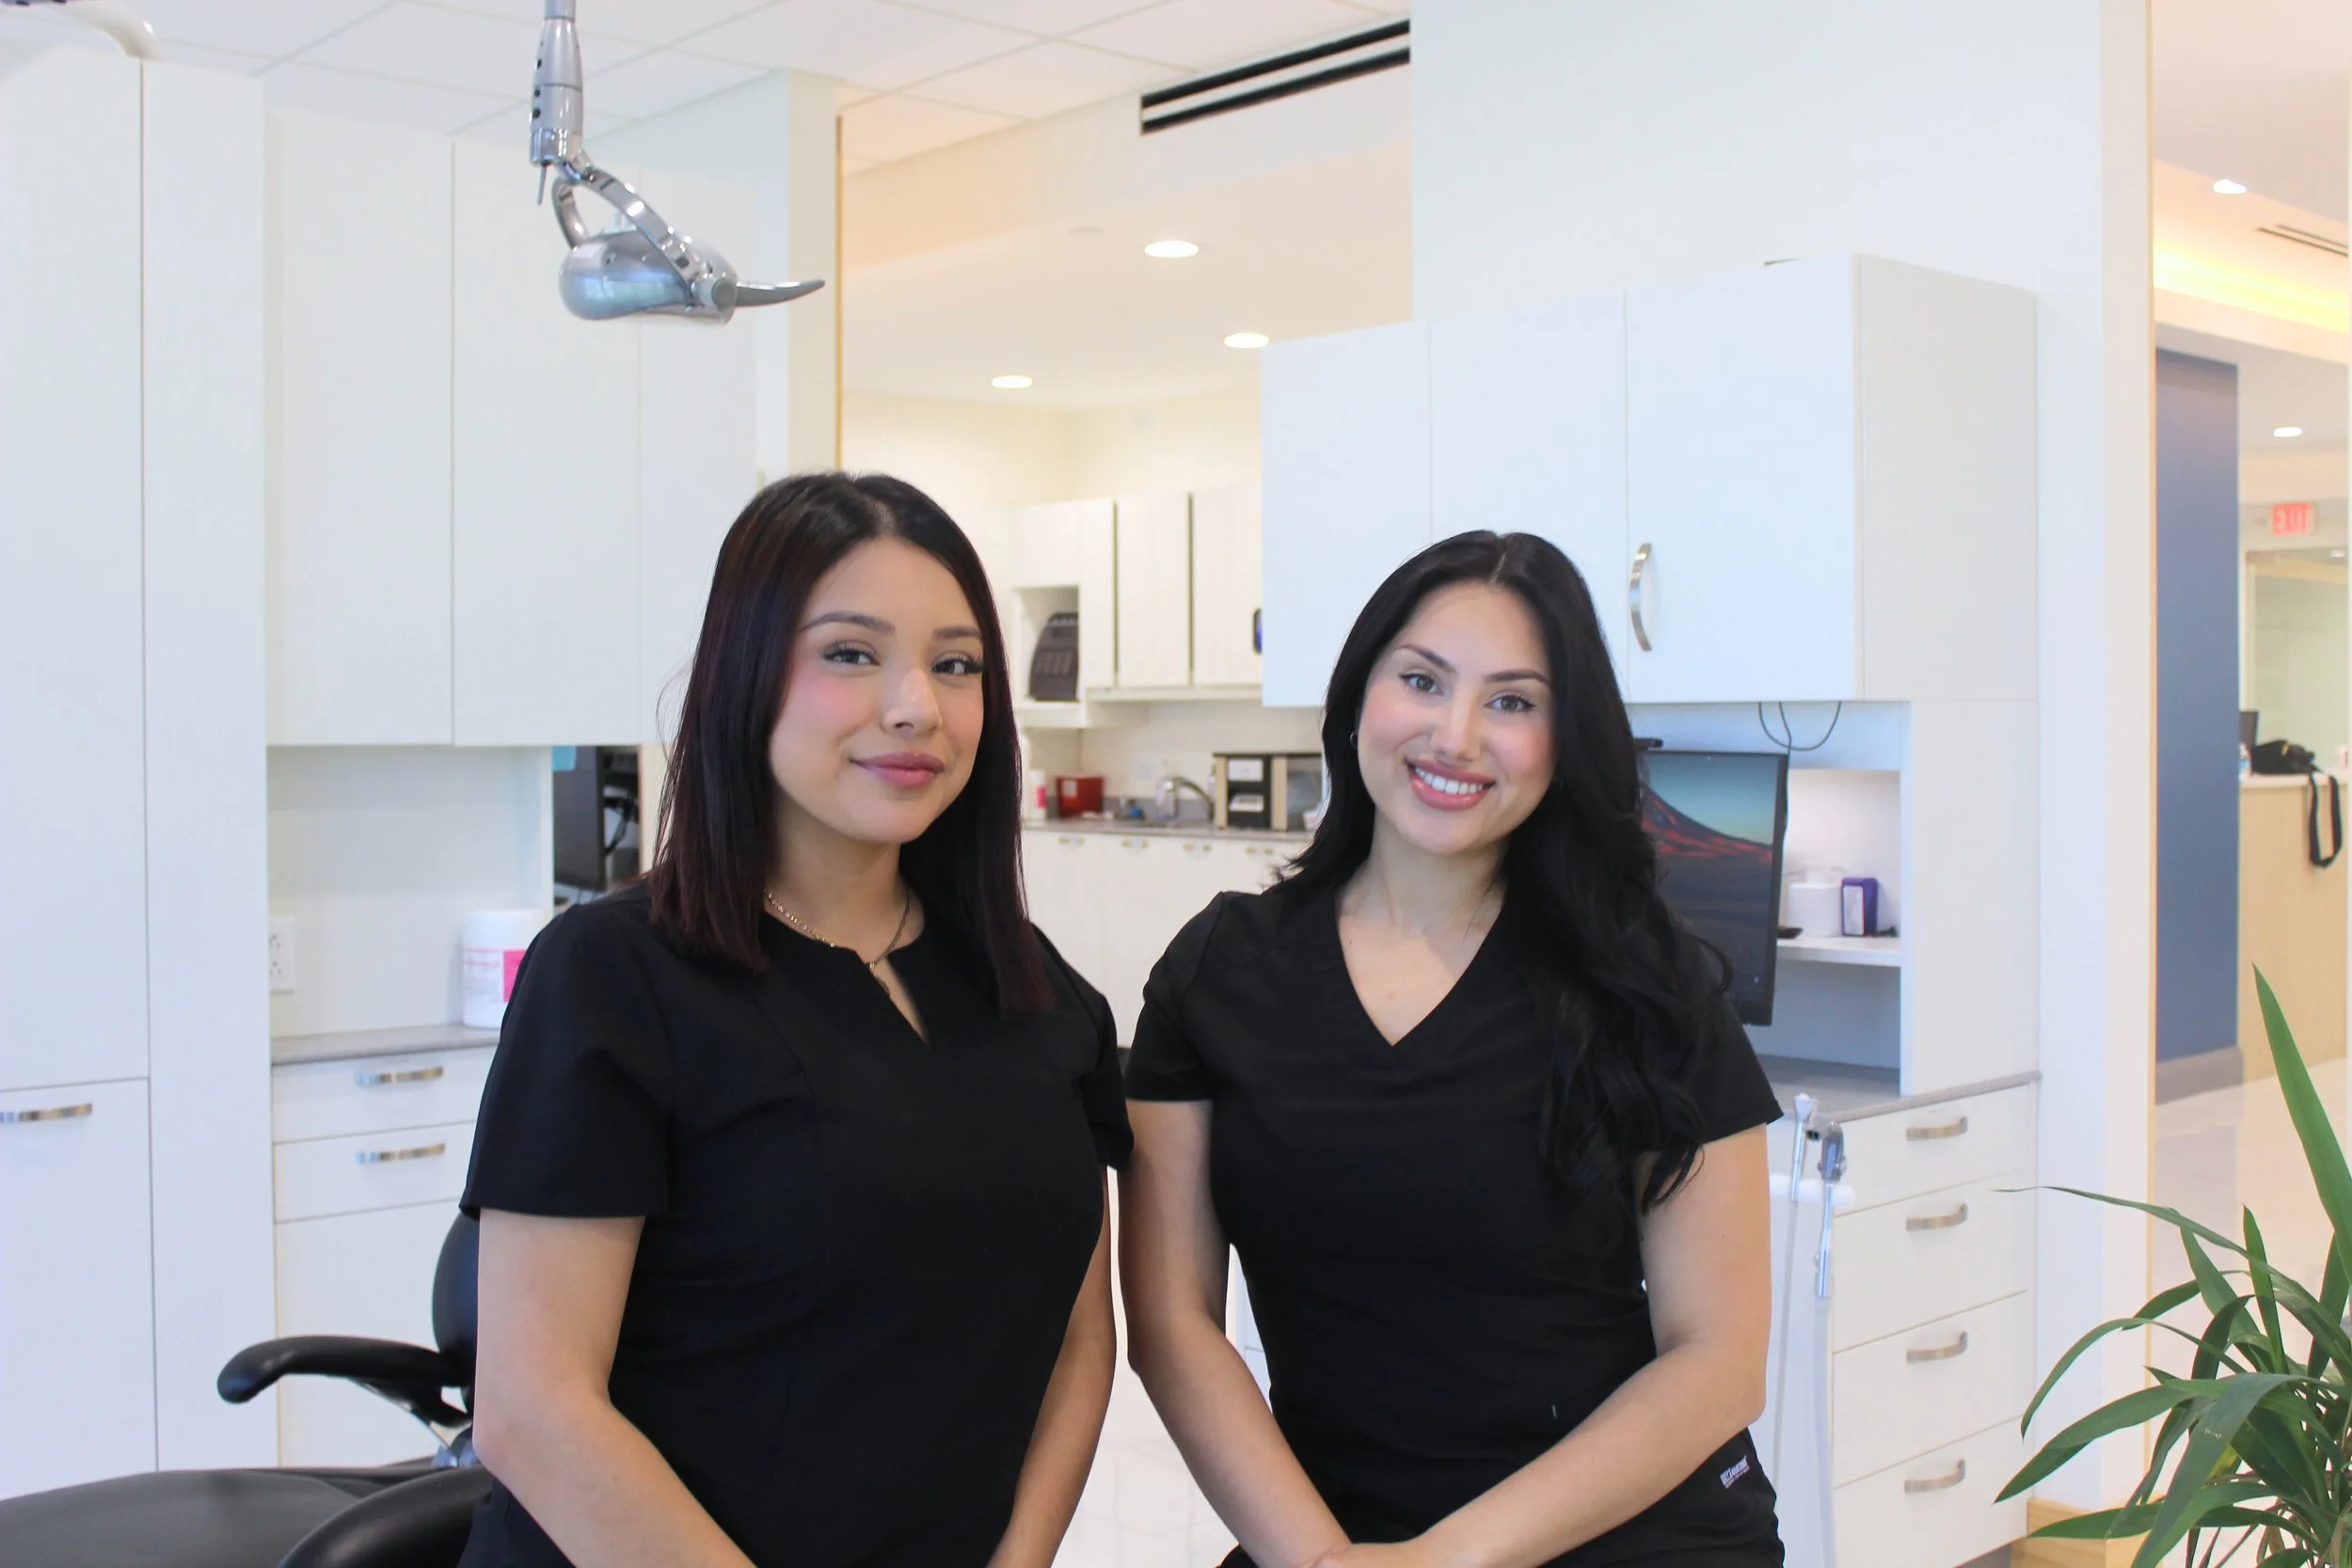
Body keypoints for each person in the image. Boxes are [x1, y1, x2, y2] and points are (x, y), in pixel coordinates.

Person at [457, 472, 1131, 1568]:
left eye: (956, 664)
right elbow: (534, 1409)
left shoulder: (1037, 993)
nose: (916, 704)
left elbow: (1076, 1339)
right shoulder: (615, 976)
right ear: (746, 673)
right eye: (851, 653)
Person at [1120, 531, 1785, 1568]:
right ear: (1357, 697)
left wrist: (1449, 1558)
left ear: (1566, 736)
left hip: (1628, 1535)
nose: (1456, 734)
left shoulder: (1646, 983)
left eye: (1512, 701)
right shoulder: (1220, 973)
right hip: (1331, 1537)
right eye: (1422, 679)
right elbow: (1171, 1320)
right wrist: (1323, 1558)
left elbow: (1718, 1356)